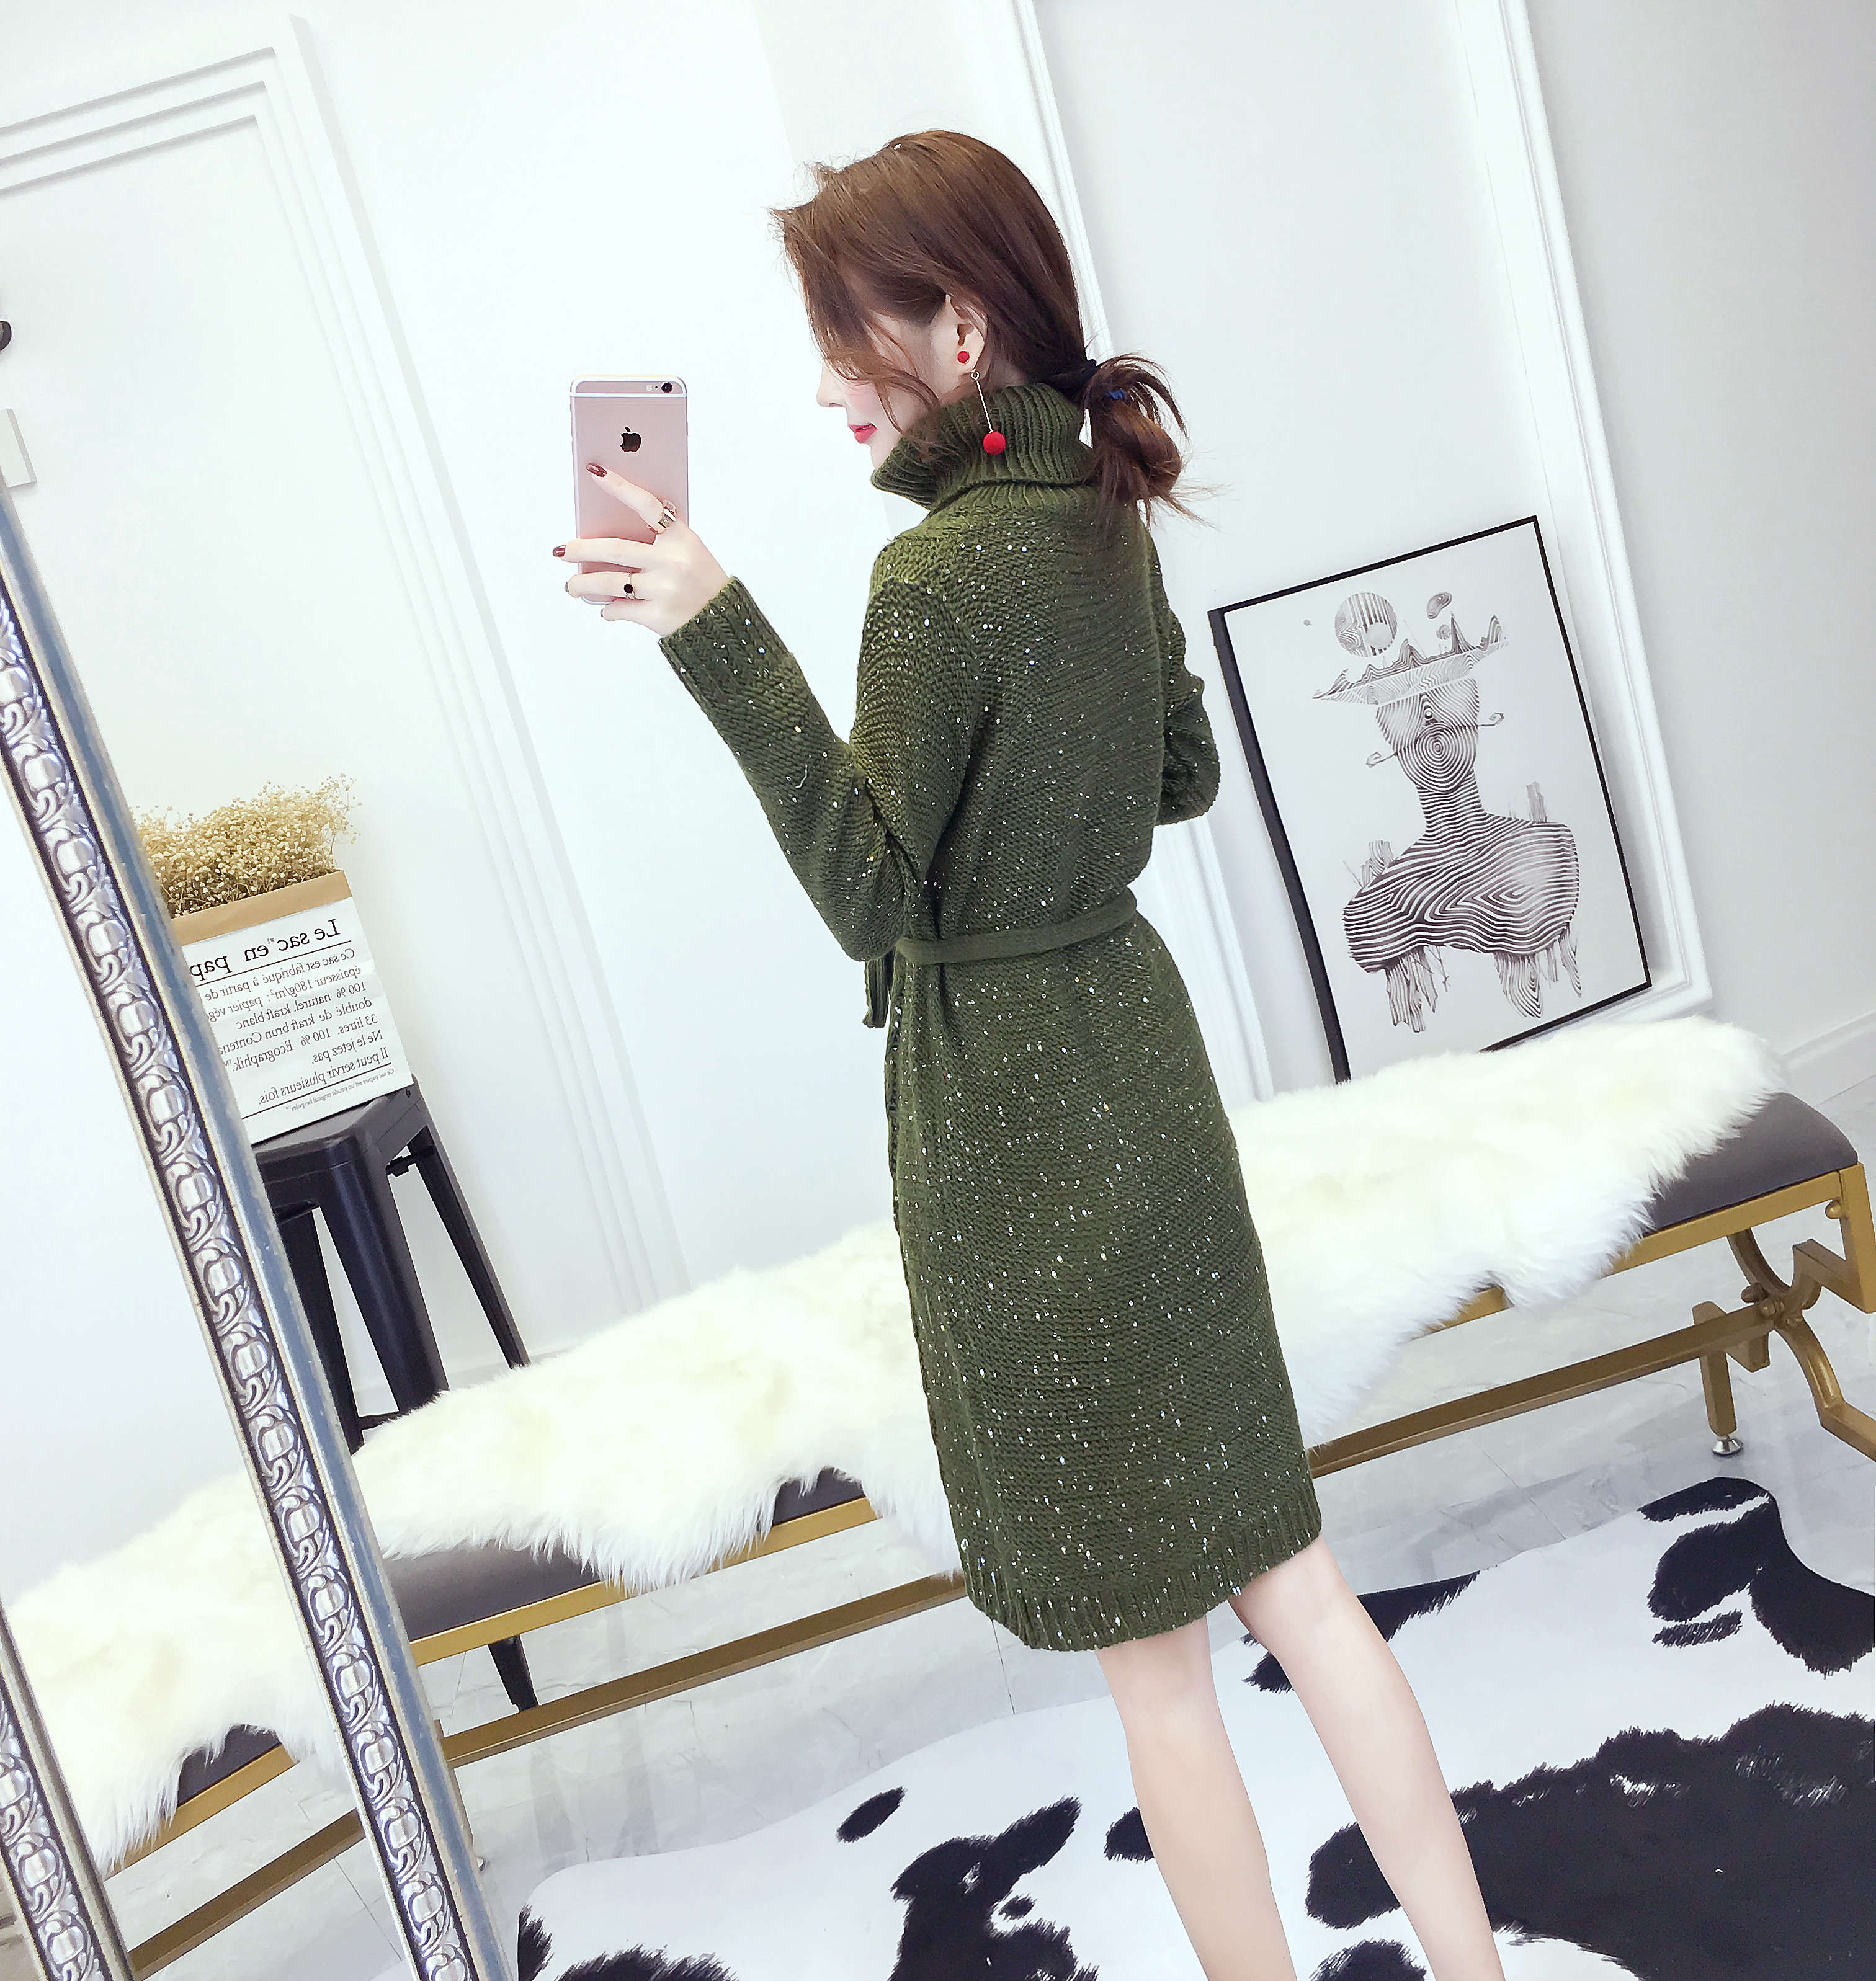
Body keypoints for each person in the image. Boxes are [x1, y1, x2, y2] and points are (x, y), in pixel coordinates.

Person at [552, 128, 1504, 1981]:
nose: (830, 384)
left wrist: (715, 631)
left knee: (1159, 1669)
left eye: (850, 337)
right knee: (1298, 1579)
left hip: (1013, 1119)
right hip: (1143, 1067)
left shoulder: (936, 580)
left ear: (962, 328)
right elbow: (1182, 774)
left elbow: (867, 888)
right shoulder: (1100, 516)